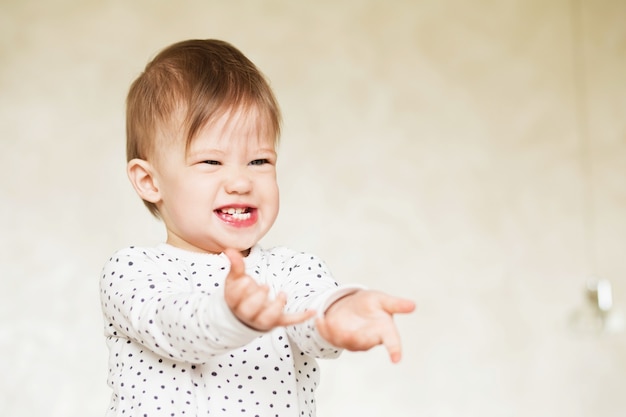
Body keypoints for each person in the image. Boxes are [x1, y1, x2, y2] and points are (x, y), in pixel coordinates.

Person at [100, 38, 415, 417]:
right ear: (150, 181)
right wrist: (232, 315)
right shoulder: (134, 270)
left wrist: (339, 313)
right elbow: (174, 327)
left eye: (259, 161)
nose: (241, 182)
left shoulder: (291, 269)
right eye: (211, 162)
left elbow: (310, 313)